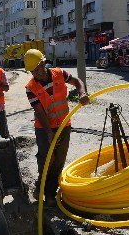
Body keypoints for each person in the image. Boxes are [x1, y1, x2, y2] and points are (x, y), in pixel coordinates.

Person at [24, 48, 89, 207]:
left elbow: (77, 81)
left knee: (59, 159)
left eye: (38, 69)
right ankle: (44, 190)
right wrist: (48, 132)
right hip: (44, 127)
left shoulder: (60, 73)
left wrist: (82, 93)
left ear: (43, 63)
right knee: (47, 160)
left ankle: (50, 192)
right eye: (32, 71)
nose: (36, 73)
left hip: (64, 125)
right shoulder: (30, 87)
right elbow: (39, 112)